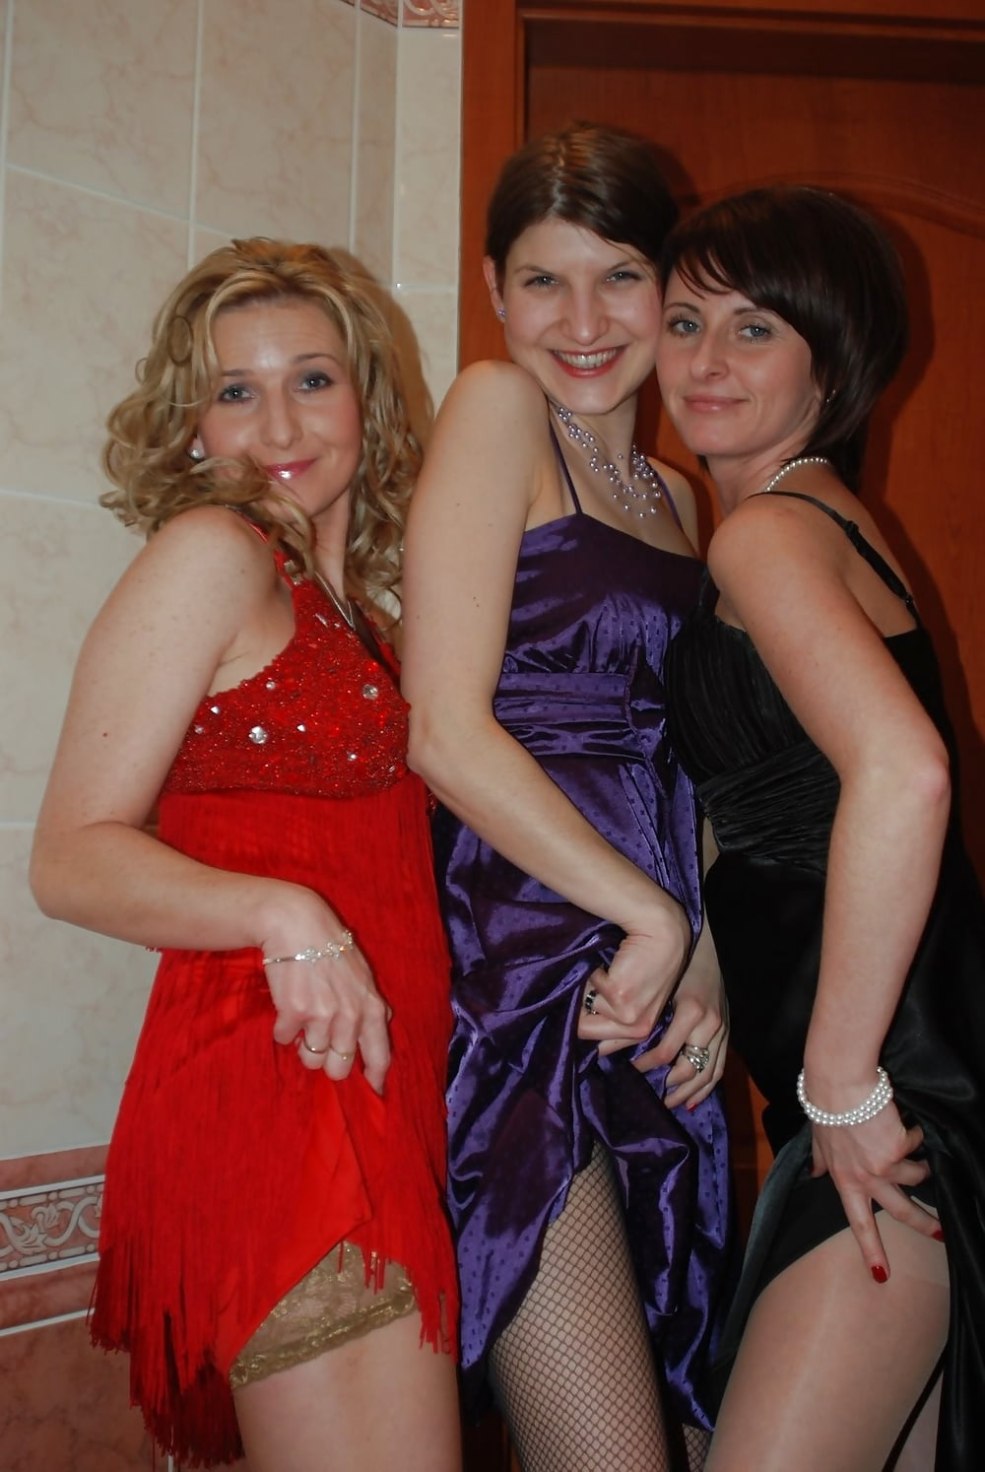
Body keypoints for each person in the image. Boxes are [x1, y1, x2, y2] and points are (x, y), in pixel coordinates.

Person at [29, 239, 461, 1471]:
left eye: (312, 379)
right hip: (281, 1092)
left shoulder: (357, 611)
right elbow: (68, 858)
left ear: (366, 399)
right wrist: (286, 912)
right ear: (193, 423)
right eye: (236, 390)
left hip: (368, 1089)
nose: (279, 423)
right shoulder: (213, 552)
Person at [401, 122, 734, 1472]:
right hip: (524, 974)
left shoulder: (681, 496)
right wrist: (651, 918)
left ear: (669, 288)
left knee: (693, 1419)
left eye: (620, 277)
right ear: (493, 287)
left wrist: (697, 952)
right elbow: (442, 731)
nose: (583, 322)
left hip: (648, 990)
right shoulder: (498, 407)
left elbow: (683, 758)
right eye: (544, 279)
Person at [657, 186, 985, 1472]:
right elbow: (779, 801)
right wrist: (704, 958)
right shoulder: (809, 517)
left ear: (831, 363)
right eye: (686, 320)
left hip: (893, 1097)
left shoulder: (768, 535)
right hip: (901, 1082)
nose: (704, 359)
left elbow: (903, 776)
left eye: (754, 329)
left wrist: (843, 1078)